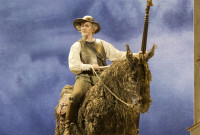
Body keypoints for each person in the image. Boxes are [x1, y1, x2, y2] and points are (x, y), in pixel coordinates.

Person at [64, 15, 140, 135]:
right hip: (85, 77)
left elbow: (118, 55)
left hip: (103, 77)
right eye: (82, 26)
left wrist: (137, 55)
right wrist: (89, 66)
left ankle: (129, 128)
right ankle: (68, 126)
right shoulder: (77, 45)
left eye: (86, 26)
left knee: (123, 97)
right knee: (76, 95)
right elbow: (73, 66)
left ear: (93, 29)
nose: (83, 28)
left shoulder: (102, 44)